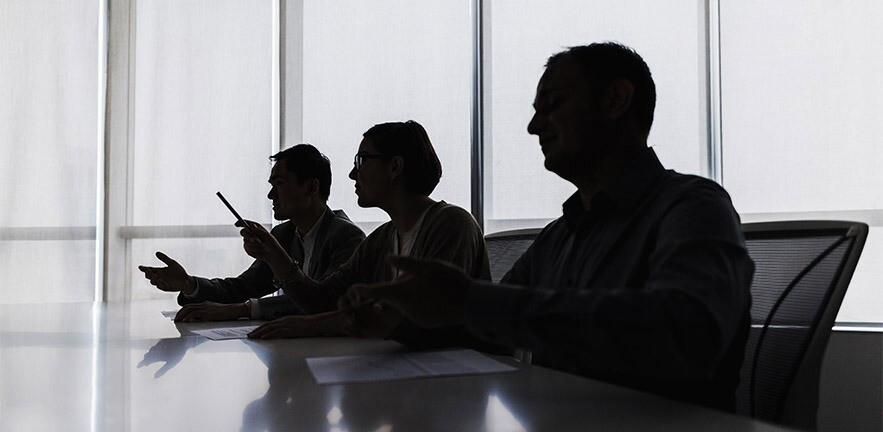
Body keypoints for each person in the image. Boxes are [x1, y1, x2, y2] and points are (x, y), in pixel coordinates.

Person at [342, 43, 754, 411]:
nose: (533, 126)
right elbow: (490, 328)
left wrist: (470, 302)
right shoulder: (561, 235)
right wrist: (400, 323)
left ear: (616, 99)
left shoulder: (694, 205)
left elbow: (686, 334)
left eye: (551, 104)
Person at [241, 121, 491, 348]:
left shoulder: (452, 224)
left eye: (362, 160)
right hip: (412, 373)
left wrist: (315, 324)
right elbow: (323, 300)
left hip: (459, 380)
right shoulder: (381, 239)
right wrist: (273, 254)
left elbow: (428, 317)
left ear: (395, 166)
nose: (352, 173)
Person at [138, 144, 365, 321]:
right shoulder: (284, 234)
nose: (270, 195)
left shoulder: (347, 237)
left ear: (311, 187)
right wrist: (189, 283)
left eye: (279, 183)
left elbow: (322, 302)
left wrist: (243, 309)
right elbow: (243, 287)